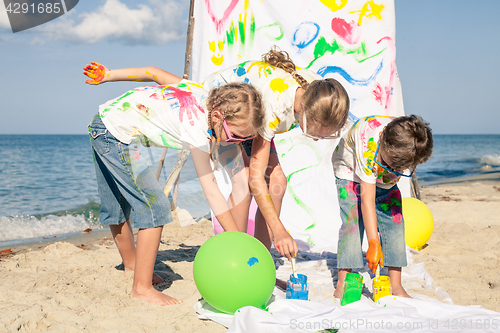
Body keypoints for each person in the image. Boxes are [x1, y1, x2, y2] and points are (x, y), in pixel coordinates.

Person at [83, 47, 351, 261]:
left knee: (276, 180)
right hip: (221, 116)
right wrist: (276, 230)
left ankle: (258, 256)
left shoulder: (321, 91)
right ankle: (239, 252)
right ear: (303, 107)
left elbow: (154, 72)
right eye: (312, 129)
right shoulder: (256, 114)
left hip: (209, 115)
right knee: (243, 179)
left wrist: (109, 74)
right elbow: (236, 183)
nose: (316, 137)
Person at [86, 78, 264, 306]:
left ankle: (132, 267)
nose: (235, 142)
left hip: (104, 123)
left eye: (244, 139)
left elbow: (156, 76)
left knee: (117, 203)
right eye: (234, 136)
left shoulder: (208, 97)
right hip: (114, 135)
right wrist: (237, 239)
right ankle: (141, 288)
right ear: (219, 116)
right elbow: (210, 188)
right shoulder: (195, 125)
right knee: (155, 206)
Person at [331, 115, 433, 298]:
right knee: (352, 221)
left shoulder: (406, 141)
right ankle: (343, 281)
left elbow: (380, 197)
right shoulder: (368, 142)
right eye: (387, 163)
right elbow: (367, 201)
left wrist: (390, 169)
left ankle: (396, 284)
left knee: (394, 221)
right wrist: (373, 243)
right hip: (350, 170)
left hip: (382, 178)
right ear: (383, 138)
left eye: (399, 169)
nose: (393, 169)